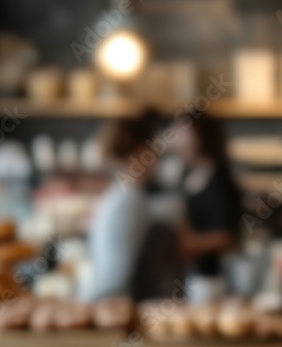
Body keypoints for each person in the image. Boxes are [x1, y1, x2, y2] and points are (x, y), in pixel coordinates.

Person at [82, 113, 157, 302]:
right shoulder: (130, 199)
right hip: (109, 305)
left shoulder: (120, 192)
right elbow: (115, 276)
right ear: (143, 151)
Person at [171, 112, 242, 279]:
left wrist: (187, 245)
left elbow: (227, 237)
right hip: (185, 275)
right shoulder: (185, 175)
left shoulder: (221, 181)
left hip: (213, 278)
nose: (178, 142)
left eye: (184, 134)